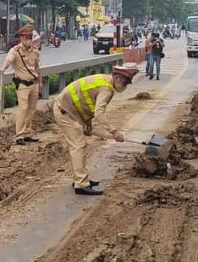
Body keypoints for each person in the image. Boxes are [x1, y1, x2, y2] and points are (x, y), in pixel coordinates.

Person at [53, 64, 138, 195]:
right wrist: (114, 131)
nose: (126, 86)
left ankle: (80, 178)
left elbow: (88, 102)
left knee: (78, 146)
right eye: (125, 83)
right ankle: (81, 184)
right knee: (78, 146)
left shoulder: (105, 80)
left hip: (70, 111)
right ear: (117, 78)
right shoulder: (106, 90)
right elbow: (99, 113)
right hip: (65, 111)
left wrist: (88, 124)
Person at [0, 25, 42, 144]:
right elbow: (8, 60)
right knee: (23, 109)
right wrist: (3, 68)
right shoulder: (15, 51)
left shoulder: (35, 51)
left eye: (30, 37)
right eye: (26, 37)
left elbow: (37, 68)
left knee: (31, 110)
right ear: (21, 38)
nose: (28, 39)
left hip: (34, 84)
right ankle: (19, 135)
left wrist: (40, 82)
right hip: (23, 85)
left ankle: (27, 133)